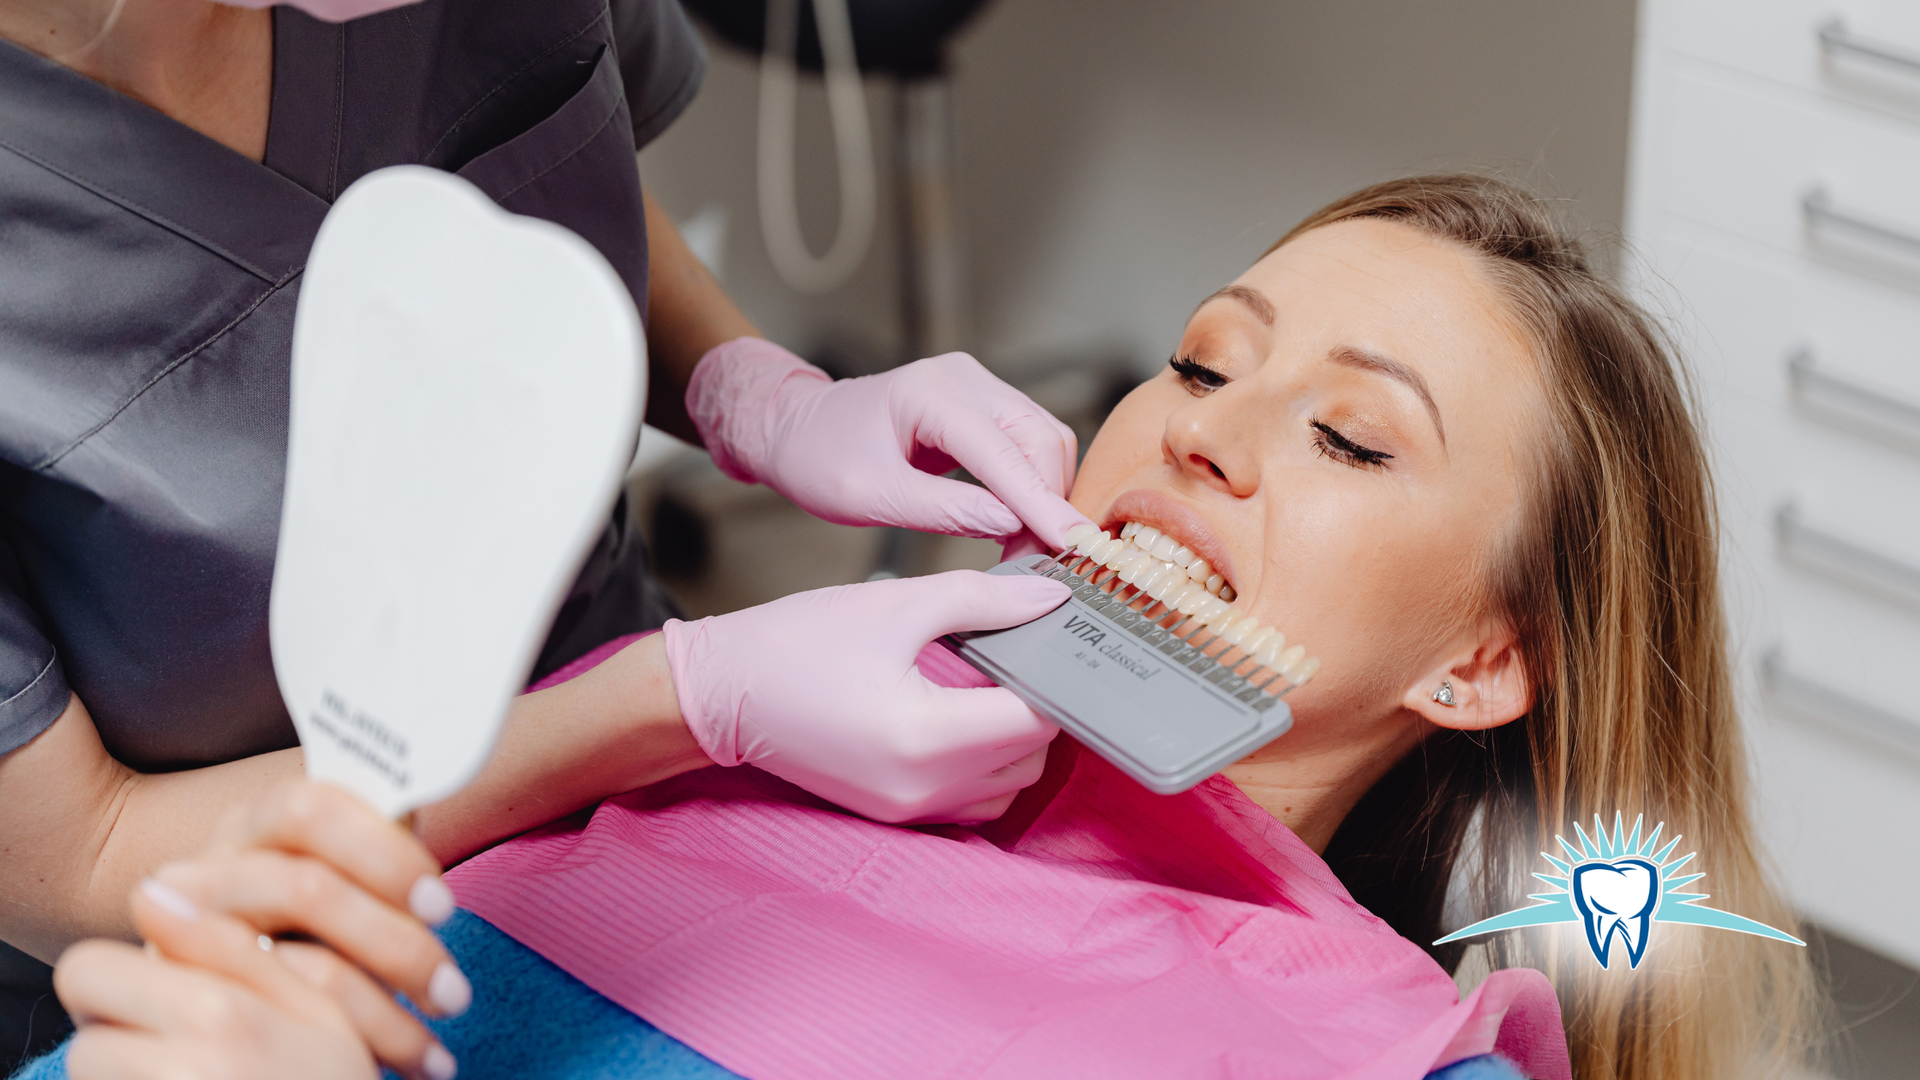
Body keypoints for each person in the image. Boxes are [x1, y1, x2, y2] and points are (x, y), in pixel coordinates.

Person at [26, 176, 1823, 1080]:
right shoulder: (680, 748)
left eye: (1349, 437)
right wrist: (685, 703)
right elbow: (156, 892)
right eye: (1200, 361)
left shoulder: (1377, 1057)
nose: (1194, 426)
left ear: (1482, 663)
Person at [0, 0, 1094, 1064]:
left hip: (667, 789)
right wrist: (680, 698)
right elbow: (90, 862)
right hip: (258, 974)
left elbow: (544, 148)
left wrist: (753, 389)